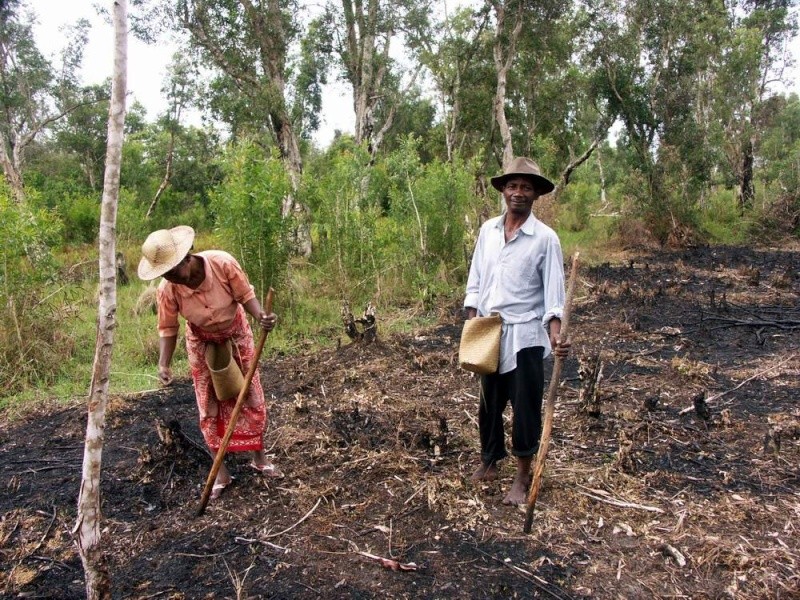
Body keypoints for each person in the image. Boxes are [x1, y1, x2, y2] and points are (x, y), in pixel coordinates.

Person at [138, 226, 281, 500]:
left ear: (186, 258)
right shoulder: (168, 289)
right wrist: (163, 364)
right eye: (164, 274)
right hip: (201, 341)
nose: (170, 277)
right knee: (209, 403)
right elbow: (168, 328)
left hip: (236, 333)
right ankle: (222, 473)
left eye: (172, 270)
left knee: (249, 393)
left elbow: (245, 296)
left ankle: (259, 458)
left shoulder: (222, 263)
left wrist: (262, 316)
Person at [464, 157, 571, 506]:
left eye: (526, 187)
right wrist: (471, 322)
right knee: (488, 404)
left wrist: (555, 334)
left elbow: (554, 296)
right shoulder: (488, 231)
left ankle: (523, 476)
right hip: (489, 330)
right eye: (513, 186)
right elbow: (476, 281)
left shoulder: (545, 239)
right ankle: (490, 461)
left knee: (525, 408)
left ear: (537, 193)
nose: (518, 193)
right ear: (504, 191)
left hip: (525, 334)